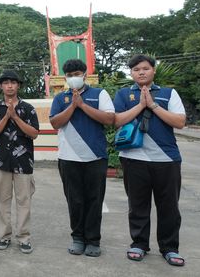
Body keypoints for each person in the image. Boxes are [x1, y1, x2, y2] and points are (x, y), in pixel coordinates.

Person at [114, 55, 186, 267]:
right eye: (136, 69)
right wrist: (140, 106)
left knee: (169, 207)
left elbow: (180, 121)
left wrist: (152, 105)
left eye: (145, 68)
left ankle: (170, 247)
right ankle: (139, 243)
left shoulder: (168, 93)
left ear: (153, 70)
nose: (141, 72)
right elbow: (116, 120)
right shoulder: (124, 94)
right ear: (131, 73)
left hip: (166, 159)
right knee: (137, 205)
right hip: (133, 158)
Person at [49, 59, 115, 257]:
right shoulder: (61, 98)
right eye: (69, 75)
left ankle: (93, 240)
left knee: (95, 200)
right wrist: (73, 106)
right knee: (75, 200)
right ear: (65, 77)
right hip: (68, 158)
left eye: (77, 73)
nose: (73, 78)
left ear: (85, 74)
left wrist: (83, 106)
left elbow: (109, 119)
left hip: (96, 157)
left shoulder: (99, 94)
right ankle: (78, 238)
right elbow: (55, 122)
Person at [0, 69, 39, 253]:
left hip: (23, 161)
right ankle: (4, 236)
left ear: (18, 85)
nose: (9, 85)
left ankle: (24, 237)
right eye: (6, 82)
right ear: (1, 86)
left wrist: (15, 116)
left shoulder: (28, 108)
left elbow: (34, 133)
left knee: (24, 201)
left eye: (13, 82)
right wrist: (7, 117)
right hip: (1, 161)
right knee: (3, 200)